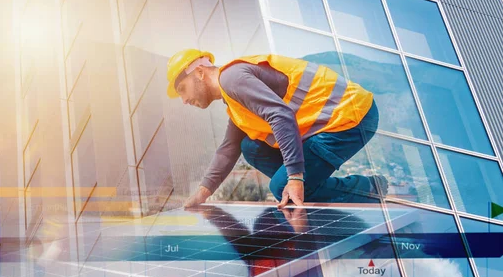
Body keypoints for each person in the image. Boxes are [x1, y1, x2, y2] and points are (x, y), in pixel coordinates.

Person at [166, 49, 388, 209]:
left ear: (200, 72)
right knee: (250, 146)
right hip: (328, 124)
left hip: (350, 116)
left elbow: (280, 115)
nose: (184, 100)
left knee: (284, 186)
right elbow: (229, 148)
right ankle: (310, 187)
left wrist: (294, 177)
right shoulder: (232, 98)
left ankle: (367, 189)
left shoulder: (231, 79)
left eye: (182, 89)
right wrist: (203, 193)